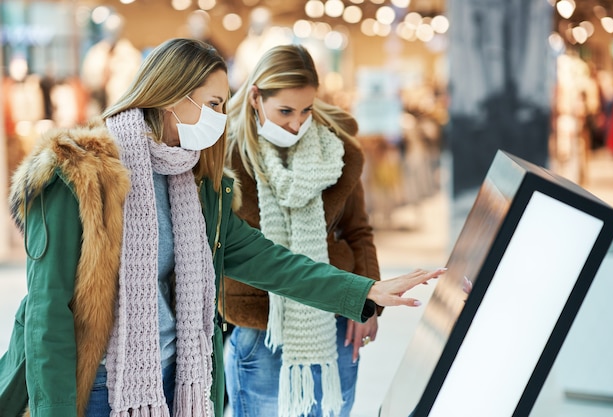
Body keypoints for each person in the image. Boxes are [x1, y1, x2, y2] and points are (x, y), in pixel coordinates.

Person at [0, 38, 445, 417]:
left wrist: (361, 291)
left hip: (179, 383)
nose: (220, 115)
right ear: (173, 97)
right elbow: (47, 313)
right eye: (213, 104)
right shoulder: (78, 173)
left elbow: (269, 260)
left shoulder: (195, 182)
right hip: (100, 387)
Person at [223, 44, 380, 417]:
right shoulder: (224, 157)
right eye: (286, 111)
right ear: (256, 97)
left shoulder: (335, 150)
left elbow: (358, 231)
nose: (297, 123)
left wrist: (367, 303)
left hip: (335, 325)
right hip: (260, 333)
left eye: (307, 109)